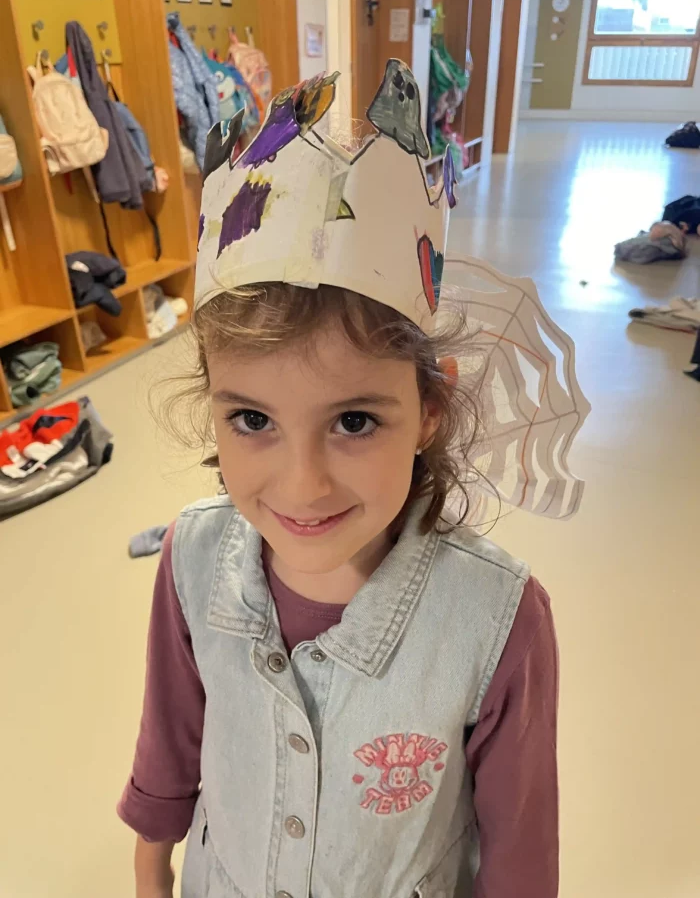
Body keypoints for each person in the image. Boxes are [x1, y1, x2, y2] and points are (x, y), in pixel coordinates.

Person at [118, 61, 567, 898]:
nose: (302, 486)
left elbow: (520, 850)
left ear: (431, 407)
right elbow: (172, 734)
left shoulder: (496, 620)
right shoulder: (190, 558)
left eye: (354, 421)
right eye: (253, 419)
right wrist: (151, 867)